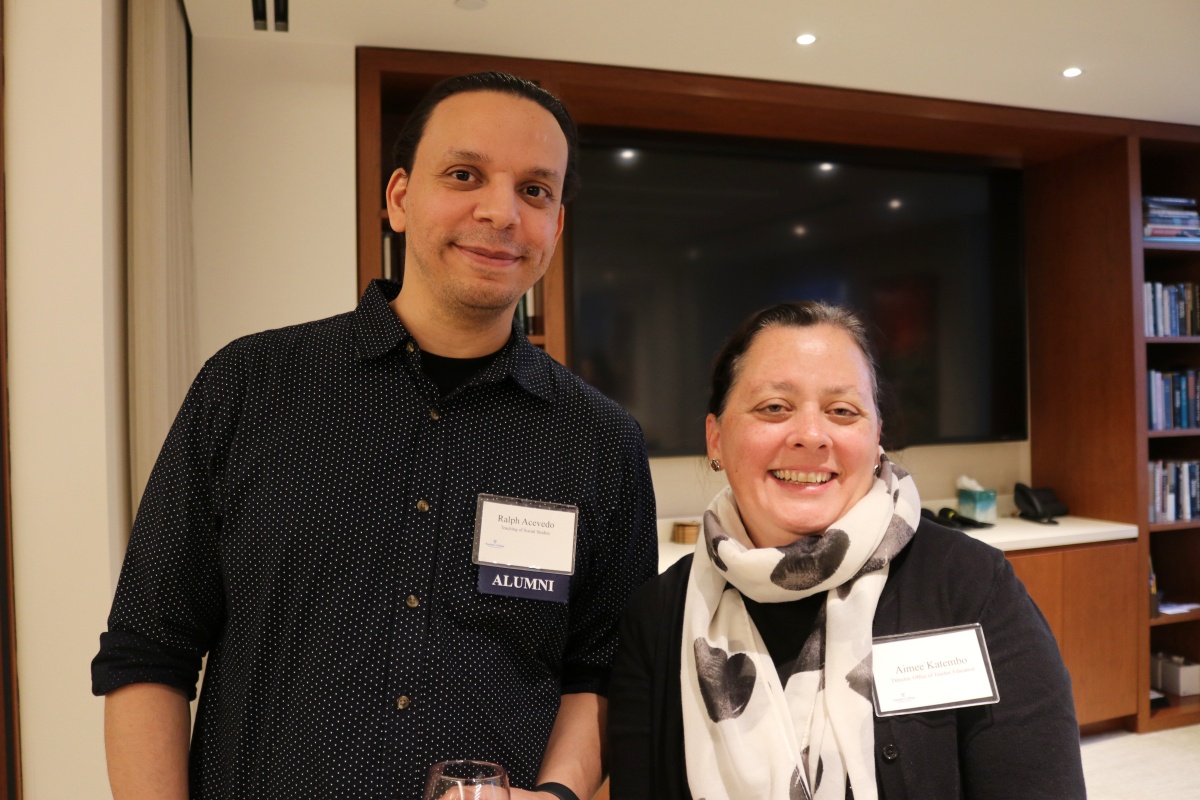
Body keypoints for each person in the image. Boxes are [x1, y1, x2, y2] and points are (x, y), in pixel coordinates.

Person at [92, 72, 658, 800]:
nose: (501, 211)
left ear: (554, 227)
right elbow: (149, 648)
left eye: (535, 191)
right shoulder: (249, 385)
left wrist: (556, 795)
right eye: (464, 175)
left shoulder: (601, 443)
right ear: (398, 198)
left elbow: (602, 673)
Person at [607, 301, 1085, 800]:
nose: (811, 436)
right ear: (716, 439)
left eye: (842, 411)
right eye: (774, 407)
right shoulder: (660, 616)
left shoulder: (971, 587)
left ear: (877, 437)